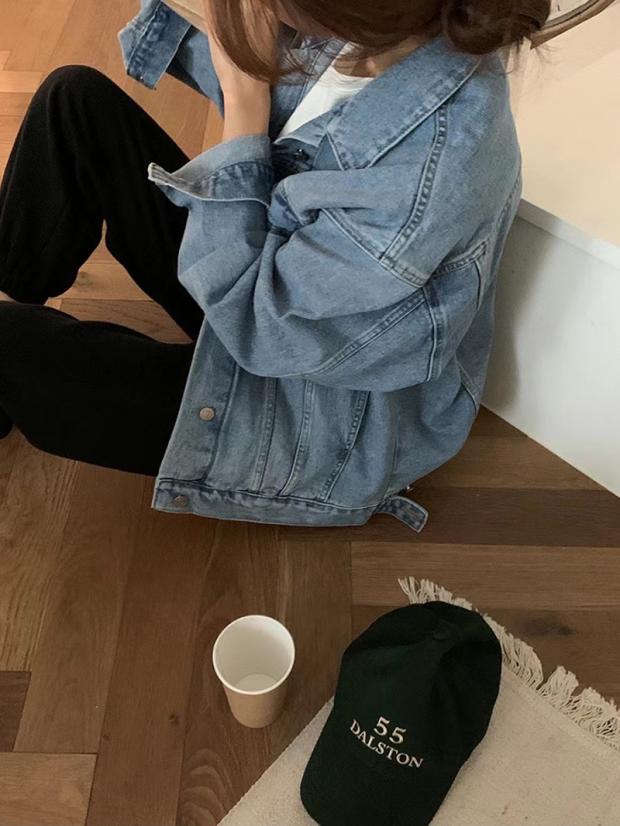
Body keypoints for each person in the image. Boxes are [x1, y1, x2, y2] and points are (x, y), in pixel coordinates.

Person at [0, 0, 550, 531]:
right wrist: (241, 59)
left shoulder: (430, 168)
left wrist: (245, 105)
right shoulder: (380, 31)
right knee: (73, 100)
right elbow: (247, 73)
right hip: (269, 279)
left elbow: (261, 329)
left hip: (318, 413)